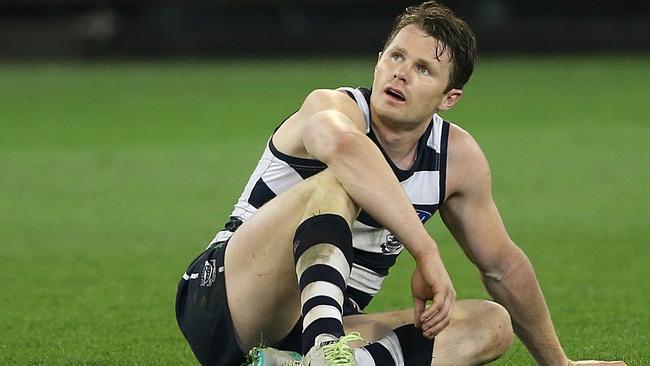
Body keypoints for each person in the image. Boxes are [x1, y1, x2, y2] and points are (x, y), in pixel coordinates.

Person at [175, 1, 628, 365]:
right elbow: (347, 152)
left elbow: (502, 267)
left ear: (449, 98)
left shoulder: (456, 157)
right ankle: (325, 352)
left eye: (423, 69)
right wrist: (426, 251)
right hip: (224, 300)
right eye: (395, 56)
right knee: (339, 180)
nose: (401, 73)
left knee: (490, 324)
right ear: (378, 61)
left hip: (319, 324)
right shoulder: (331, 107)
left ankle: (298, 362)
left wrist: (560, 364)